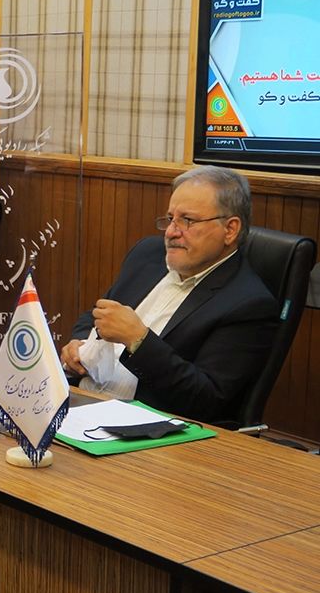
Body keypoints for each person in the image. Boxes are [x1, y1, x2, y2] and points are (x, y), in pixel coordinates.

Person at [59, 165, 278, 425]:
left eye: (188, 220)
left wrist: (138, 340)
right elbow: (96, 315)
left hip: (143, 428)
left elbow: (206, 400)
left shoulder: (248, 304)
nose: (171, 232)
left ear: (230, 229)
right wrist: (77, 343)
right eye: (171, 218)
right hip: (79, 401)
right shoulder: (148, 254)